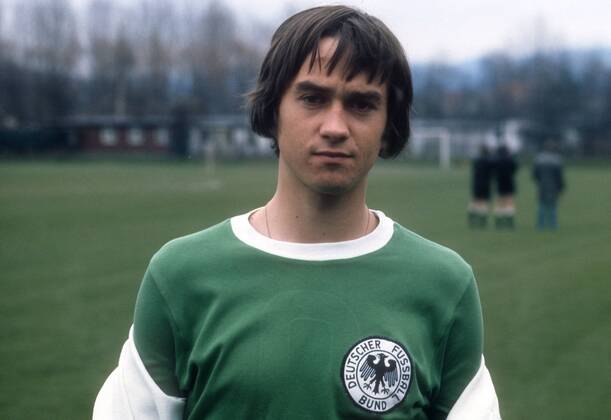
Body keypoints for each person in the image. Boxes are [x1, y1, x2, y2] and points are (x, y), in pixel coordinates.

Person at [93, 6, 501, 419]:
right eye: (313, 98)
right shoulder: (179, 277)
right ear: (273, 110)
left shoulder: (444, 286)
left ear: (388, 126)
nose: (335, 127)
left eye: (361, 105)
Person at [533, 141, 565, 230]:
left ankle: (540, 225)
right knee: (552, 206)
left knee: (542, 205)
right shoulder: (557, 159)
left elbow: (535, 174)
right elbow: (559, 176)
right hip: (553, 185)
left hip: (542, 184)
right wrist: (561, 186)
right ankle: (553, 225)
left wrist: (539, 181)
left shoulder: (539, 159)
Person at [468, 144, 495, 228]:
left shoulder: (476, 160)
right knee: (483, 201)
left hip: (476, 183)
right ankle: (482, 219)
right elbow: (493, 173)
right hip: (486, 183)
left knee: (476, 200)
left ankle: (472, 216)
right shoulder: (490, 161)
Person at [493, 145, 518, 229]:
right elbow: (515, 169)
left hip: (500, 183)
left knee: (500, 202)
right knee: (509, 202)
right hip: (509, 183)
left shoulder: (496, 160)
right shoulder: (511, 160)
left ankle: (499, 221)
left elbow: (494, 172)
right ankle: (509, 221)